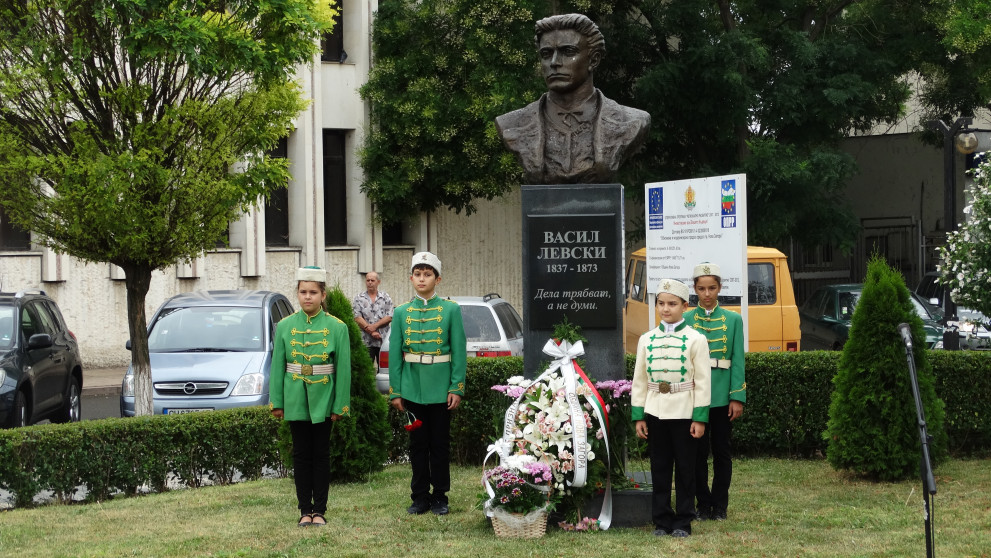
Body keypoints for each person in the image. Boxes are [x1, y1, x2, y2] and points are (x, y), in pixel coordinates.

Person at [495, 13, 650, 184]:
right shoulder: (512, 124)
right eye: (546, 54)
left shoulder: (632, 121)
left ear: (594, 59)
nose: (554, 62)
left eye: (568, 51)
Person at [270, 266, 352, 527]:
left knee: (321, 454)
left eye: (313, 292)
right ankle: (304, 509)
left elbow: (343, 370)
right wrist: (277, 402)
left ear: (323, 295)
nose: (308, 297)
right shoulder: (284, 326)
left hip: (324, 397)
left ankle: (320, 510)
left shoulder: (337, 327)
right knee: (301, 455)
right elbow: (277, 366)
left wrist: (340, 404)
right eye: (303, 292)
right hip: (295, 396)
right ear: (297, 293)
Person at [388, 251, 467, 516]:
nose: (422, 279)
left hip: (441, 388)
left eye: (428, 274)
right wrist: (396, 391)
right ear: (411, 278)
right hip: (411, 388)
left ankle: (440, 496)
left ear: (438, 278)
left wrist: (456, 386)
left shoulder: (451, 310)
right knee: (417, 445)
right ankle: (419, 497)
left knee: (440, 445)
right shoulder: (400, 313)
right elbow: (395, 356)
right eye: (418, 274)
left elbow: (459, 351)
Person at [632, 279, 711, 538]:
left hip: (684, 411)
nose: (666, 309)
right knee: (660, 468)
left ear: (685, 306)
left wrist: (700, 417)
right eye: (661, 303)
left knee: (686, 469)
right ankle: (662, 520)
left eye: (672, 304)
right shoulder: (646, 339)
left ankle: (683, 521)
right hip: (656, 411)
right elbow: (640, 380)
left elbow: (702, 382)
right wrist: (639, 415)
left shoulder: (696, 339)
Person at [686, 262, 746, 521]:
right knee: (697, 454)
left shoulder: (733, 319)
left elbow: (738, 360)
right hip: (695, 395)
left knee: (722, 452)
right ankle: (702, 504)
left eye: (712, 288)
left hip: (722, 394)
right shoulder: (686, 319)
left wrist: (737, 396)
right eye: (702, 288)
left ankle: (720, 505)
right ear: (695, 290)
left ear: (720, 288)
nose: (707, 294)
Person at [352, 271, 393, 366]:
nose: (370, 282)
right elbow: (357, 317)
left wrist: (374, 326)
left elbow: (390, 316)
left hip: (382, 341)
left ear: (378, 282)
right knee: (366, 369)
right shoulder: (359, 298)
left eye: (372, 280)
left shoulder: (386, 297)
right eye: (368, 280)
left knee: (384, 369)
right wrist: (371, 331)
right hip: (366, 341)